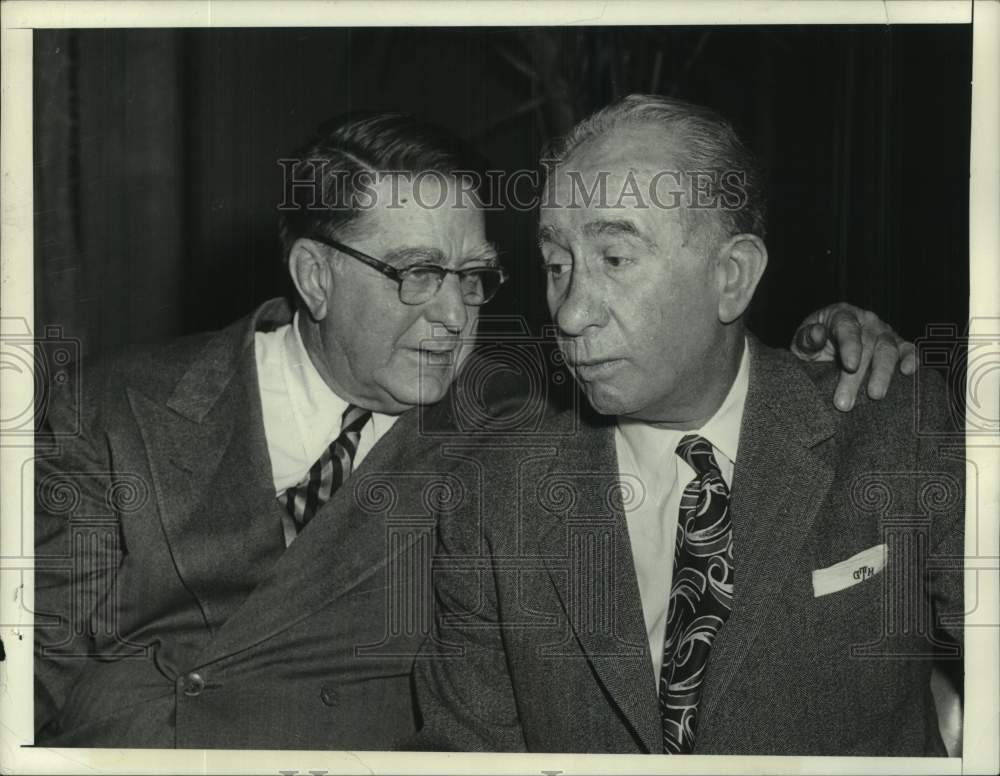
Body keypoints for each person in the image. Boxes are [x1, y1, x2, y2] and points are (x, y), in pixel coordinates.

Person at [34, 110, 916, 750]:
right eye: (418, 275)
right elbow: (33, 657)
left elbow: (691, 365)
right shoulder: (122, 406)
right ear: (313, 276)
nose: (454, 316)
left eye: (475, 277)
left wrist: (830, 336)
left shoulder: (504, 423)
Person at [412, 96, 964, 756]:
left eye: (614, 259)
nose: (571, 312)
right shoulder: (495, 490)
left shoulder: (892, 427)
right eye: (558, 266)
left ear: (731, 278)